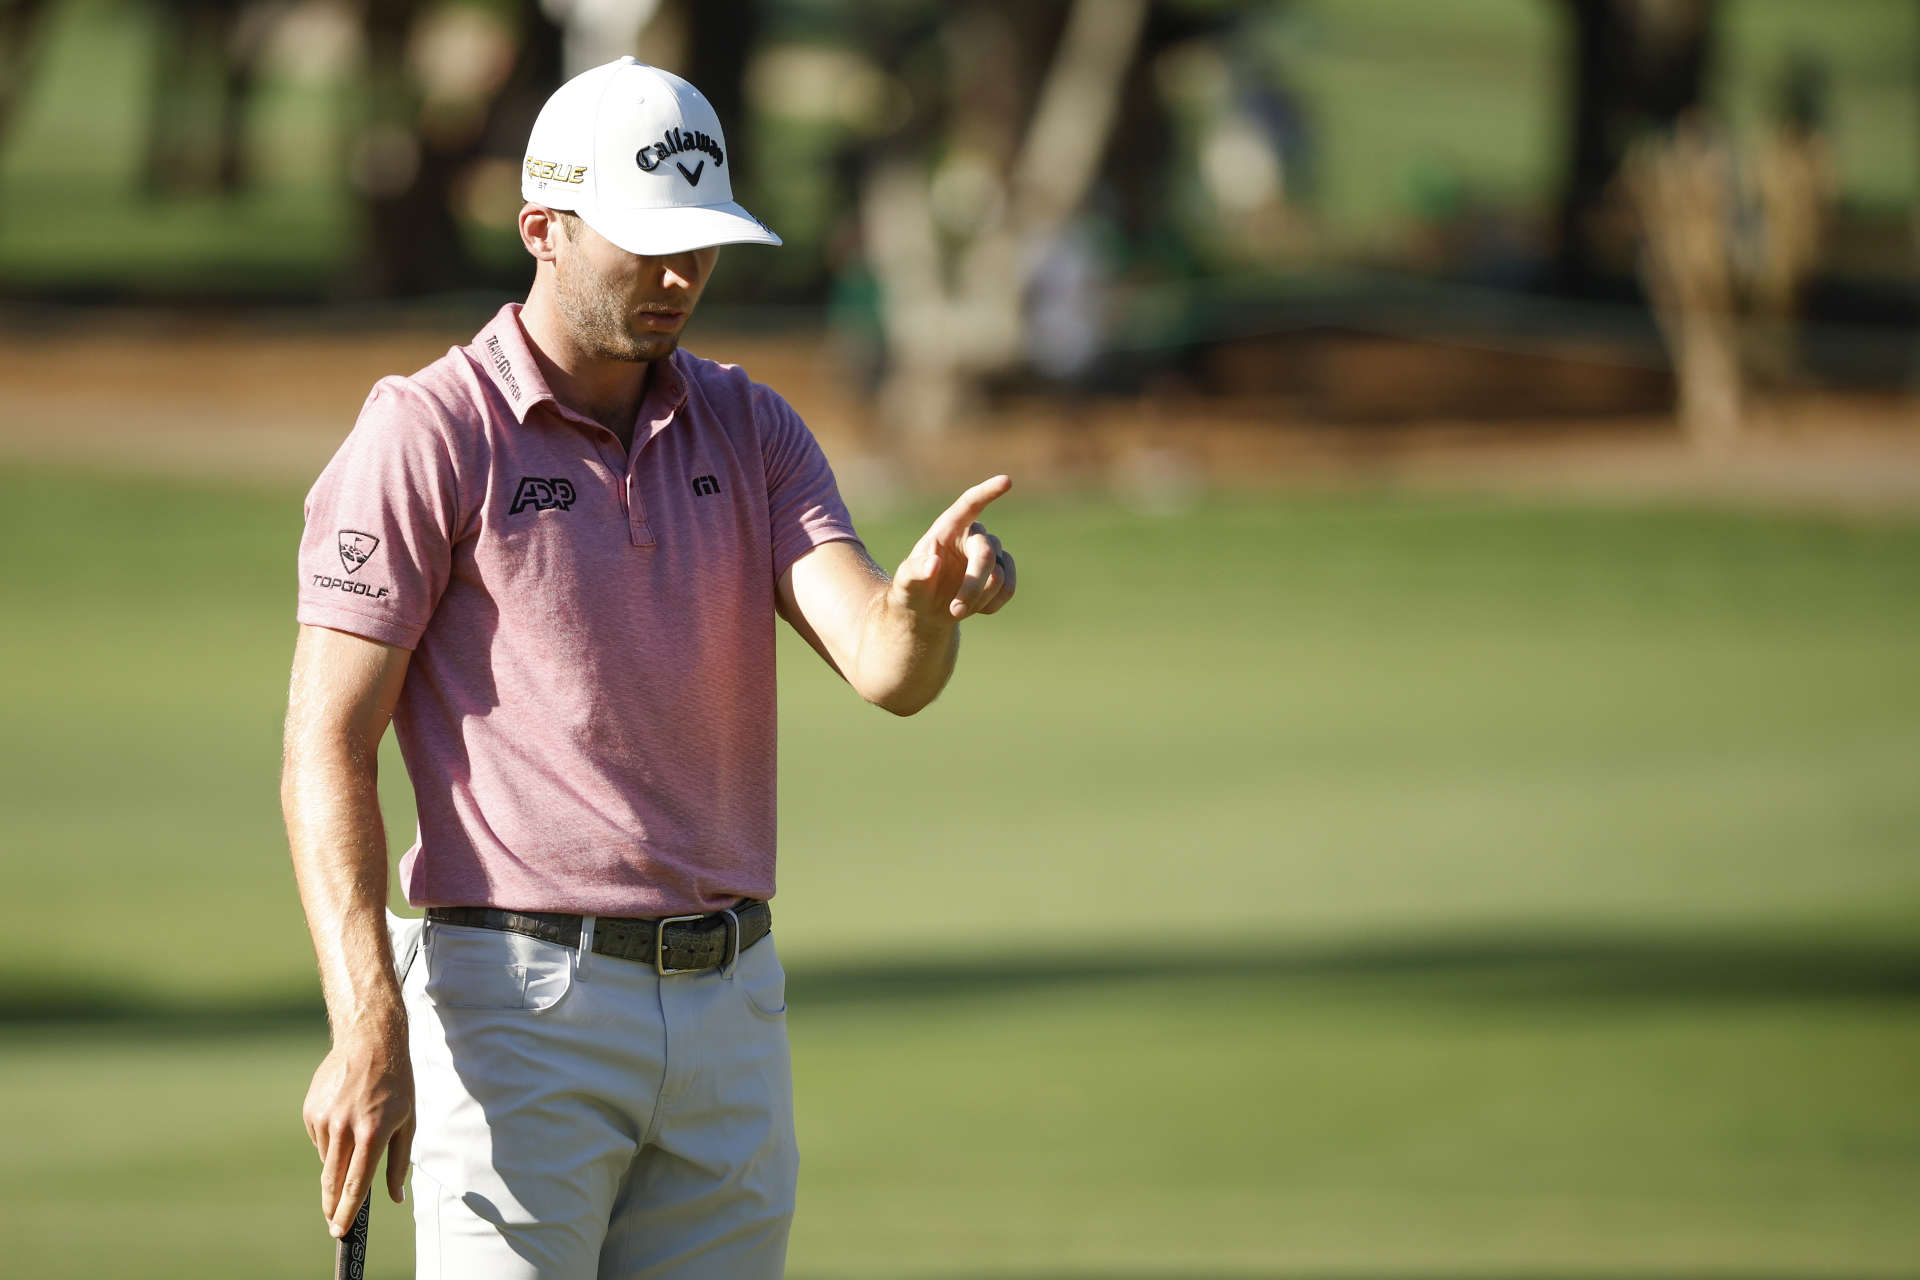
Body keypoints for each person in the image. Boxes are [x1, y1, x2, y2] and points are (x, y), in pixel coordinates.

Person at [281, 57, 1017, 1279]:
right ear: (544, 228)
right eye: (650, 243)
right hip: (515, 1010)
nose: (683, 275)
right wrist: (367, 1019)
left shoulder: (751, 424)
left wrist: (924, 604)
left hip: (732, 1004)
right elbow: (325, 743)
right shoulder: (430, 431)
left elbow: (885, 663)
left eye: (703, 242)